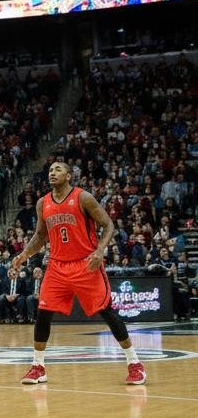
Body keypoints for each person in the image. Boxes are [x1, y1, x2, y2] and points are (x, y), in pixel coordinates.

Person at [10, 161, 146, 385]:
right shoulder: (43, 203)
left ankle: (135, 363)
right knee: (43, 312)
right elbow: (40, 235)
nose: (52, 173)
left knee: (107, 312)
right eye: (50, 170)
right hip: (57, 265)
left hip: (86, 264)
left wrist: (99, 251)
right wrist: (23, 255)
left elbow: (108, 225)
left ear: (68, 176)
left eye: (58, 170)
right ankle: (38, 367)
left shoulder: (83, 197)